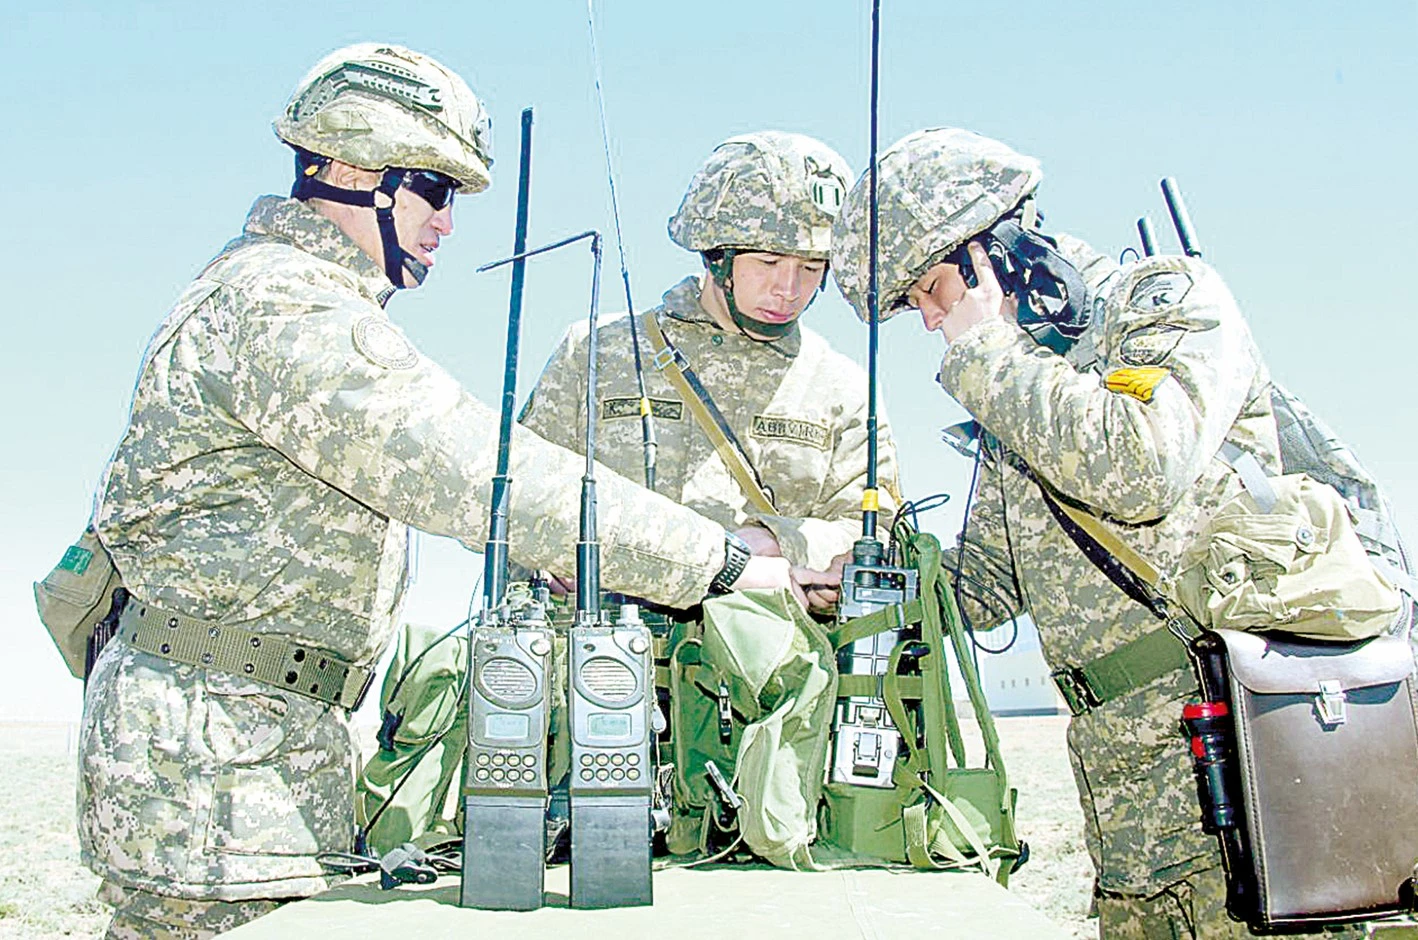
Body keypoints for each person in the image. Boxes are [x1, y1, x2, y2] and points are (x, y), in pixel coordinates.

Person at [76, 43, 795, 939]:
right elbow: (482, 473)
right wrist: (725, 560)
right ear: (346, 167)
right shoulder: (281, 306)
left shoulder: (291, 298)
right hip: (212, 767)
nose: (447, 225)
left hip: (254, 746)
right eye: (435, 191)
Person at [829, 127, 1351, 939]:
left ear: (994, 250)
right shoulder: (1016, 389)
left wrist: (988, 358)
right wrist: (861, 575)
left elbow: (1142, 466)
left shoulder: (1165, 300)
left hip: (1243, 775)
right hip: (1129, 809)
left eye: (932, 290)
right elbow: (985, 586)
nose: (931, 322)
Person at [519, 130, 903, 604]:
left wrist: (776, 541)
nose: (789, 288)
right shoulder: (597, 353)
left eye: (810, 268)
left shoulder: (842, 388)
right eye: (768, 261)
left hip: (774, 664)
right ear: (717, 255)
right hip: (605, 662)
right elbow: (517, 493)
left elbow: (879, 533)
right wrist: (554, 555)